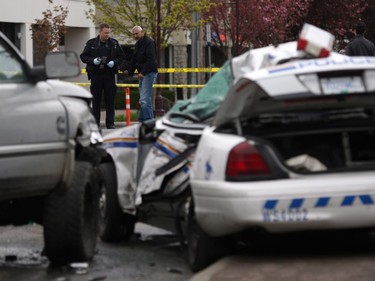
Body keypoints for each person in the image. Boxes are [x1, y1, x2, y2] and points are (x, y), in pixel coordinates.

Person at [80, 23, 125, 129]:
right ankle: (95, 124)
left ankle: (110, 123)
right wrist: (93, 61)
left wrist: (114, 62)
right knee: (96, 101)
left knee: (110, 100)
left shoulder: (114, 43)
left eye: (108, 32)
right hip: (96, 75)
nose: (107, 35)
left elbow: (122, 57)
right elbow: (83, 56)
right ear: (100, 32)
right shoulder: (91, 43)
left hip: (109, 75)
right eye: (105, 33)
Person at [122, 26, 158, 122]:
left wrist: (142, 72)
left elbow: (151, 59)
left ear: (142, 32)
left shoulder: (149, 42)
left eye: (136, 33)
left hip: (148, 73)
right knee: (145, 100)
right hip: (143, 73)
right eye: (133, 34)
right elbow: (135, 59)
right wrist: (129, 71)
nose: (135, 35)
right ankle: (143, 120)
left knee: (144, 100)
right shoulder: (138, 44)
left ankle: (148, 121)